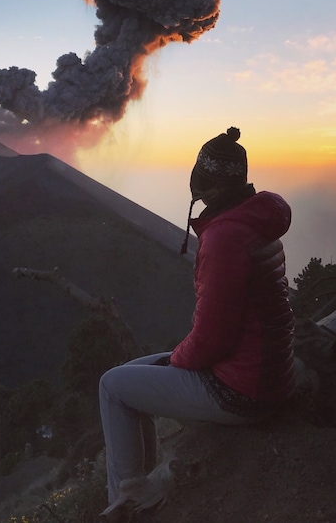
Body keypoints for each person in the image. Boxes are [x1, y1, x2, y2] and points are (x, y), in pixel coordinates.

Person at [98, 127, 297, 509]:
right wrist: (177, 360)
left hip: (242, 391)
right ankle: (141, 483)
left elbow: (211, 340)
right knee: (129, 374)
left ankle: (129, 498)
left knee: (111, 386)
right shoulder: (255, 221)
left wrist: (178, 360)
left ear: (203, 183)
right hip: (269, 375)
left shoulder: (224, 239)